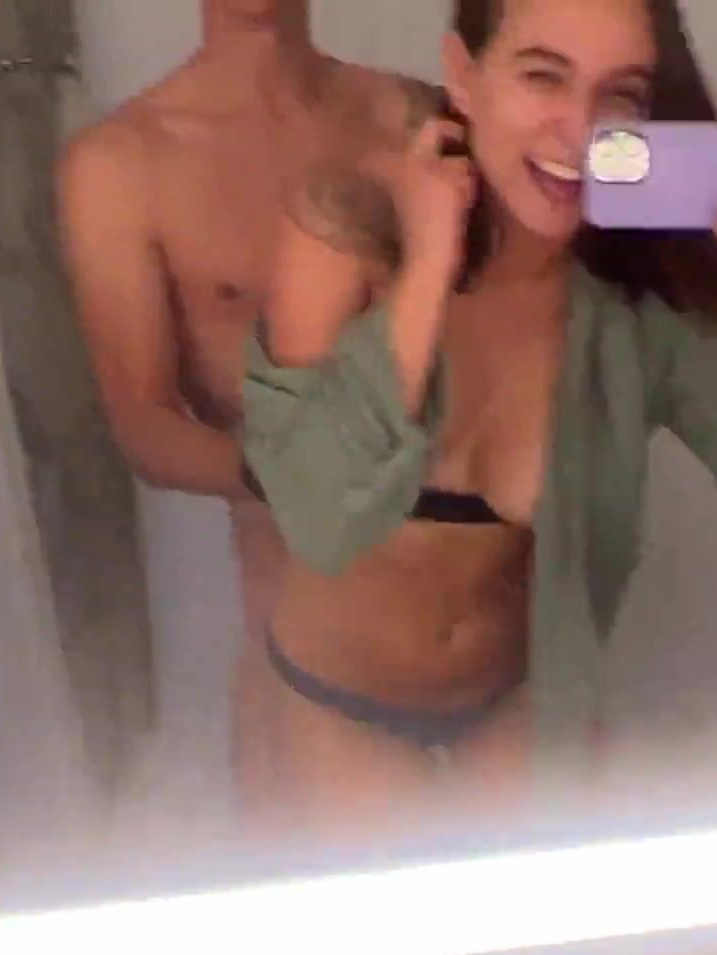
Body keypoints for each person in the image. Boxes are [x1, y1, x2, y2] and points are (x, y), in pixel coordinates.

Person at [243, 0, 717, 841]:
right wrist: (428, 268)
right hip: (336, 701)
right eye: (543, 77)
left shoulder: (641, 298)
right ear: (463, 75)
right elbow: (318, 518)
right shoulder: (347, 228)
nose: (581, 130)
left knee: (534, 922)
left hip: (519, 700)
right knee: (398, 922)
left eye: (618, 95)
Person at [55, 0, 440, 825]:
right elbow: (145, 426)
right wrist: (310, 473)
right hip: (303, 647)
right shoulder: (122, 162)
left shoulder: (408, 114)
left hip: (482, 628)